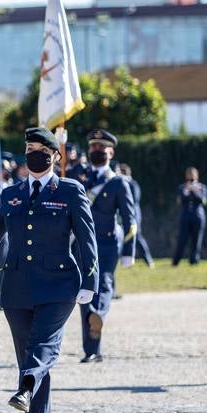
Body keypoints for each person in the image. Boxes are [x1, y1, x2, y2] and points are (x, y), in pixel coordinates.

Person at [0, 127, 97, 413]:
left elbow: (87, 239)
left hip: (59, 286)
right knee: (27, 354)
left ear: (56, 155)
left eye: (41, 148)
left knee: (42, 345)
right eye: (29, 147)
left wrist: (91, 281)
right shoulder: (10, 194)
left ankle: (25, 387)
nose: (34, 154)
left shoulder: (70, 191)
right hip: (17, 288)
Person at [74, 129, 136, 363]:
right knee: (85, 291)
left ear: (111, 152)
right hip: (83, 244)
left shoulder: (119, 182)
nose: (97, 151)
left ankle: (98, 316)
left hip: (108, 243)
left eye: (102, 147)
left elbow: (130, 220)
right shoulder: (80, 177)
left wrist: (129, 251)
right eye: (93, 147)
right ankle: (91, 349)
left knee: (105, 283)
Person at [115, 163, 153, 267]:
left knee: (137, 237)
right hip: (123, 215)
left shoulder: (132, 184)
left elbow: (134, 200)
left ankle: (148, 260)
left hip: (134, 215)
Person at [172, 167, 207, 266]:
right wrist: (187, 190)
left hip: (198, 217)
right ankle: (176, 261)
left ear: (197, 176)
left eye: (193, 174)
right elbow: (179, 201)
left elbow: (204, 201)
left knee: (197, 240)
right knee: (182, 239)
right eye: (189, 174)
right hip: (185, 217)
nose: (191, 177)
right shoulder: (182, 187)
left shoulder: (202, 187)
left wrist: (196, 191)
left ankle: (194, 260)